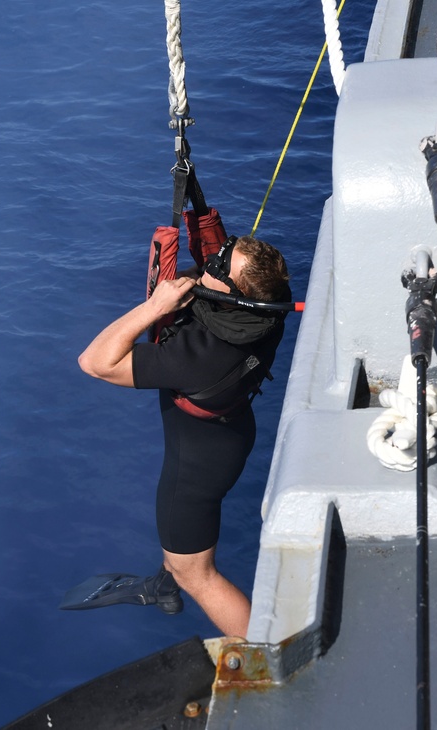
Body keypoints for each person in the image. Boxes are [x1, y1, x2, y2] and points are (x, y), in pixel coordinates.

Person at [74, 235, 290, 639]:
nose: (215, 259)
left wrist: (154, 307)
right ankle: (167, 583)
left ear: (231, 292)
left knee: (199, 575)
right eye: (226, 251)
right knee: (181, 553)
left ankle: (267, 655)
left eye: (222, 265)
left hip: (193, 471)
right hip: (230, 436)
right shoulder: (266, 308)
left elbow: (94, 362)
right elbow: (222, 263)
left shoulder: (195, 357)